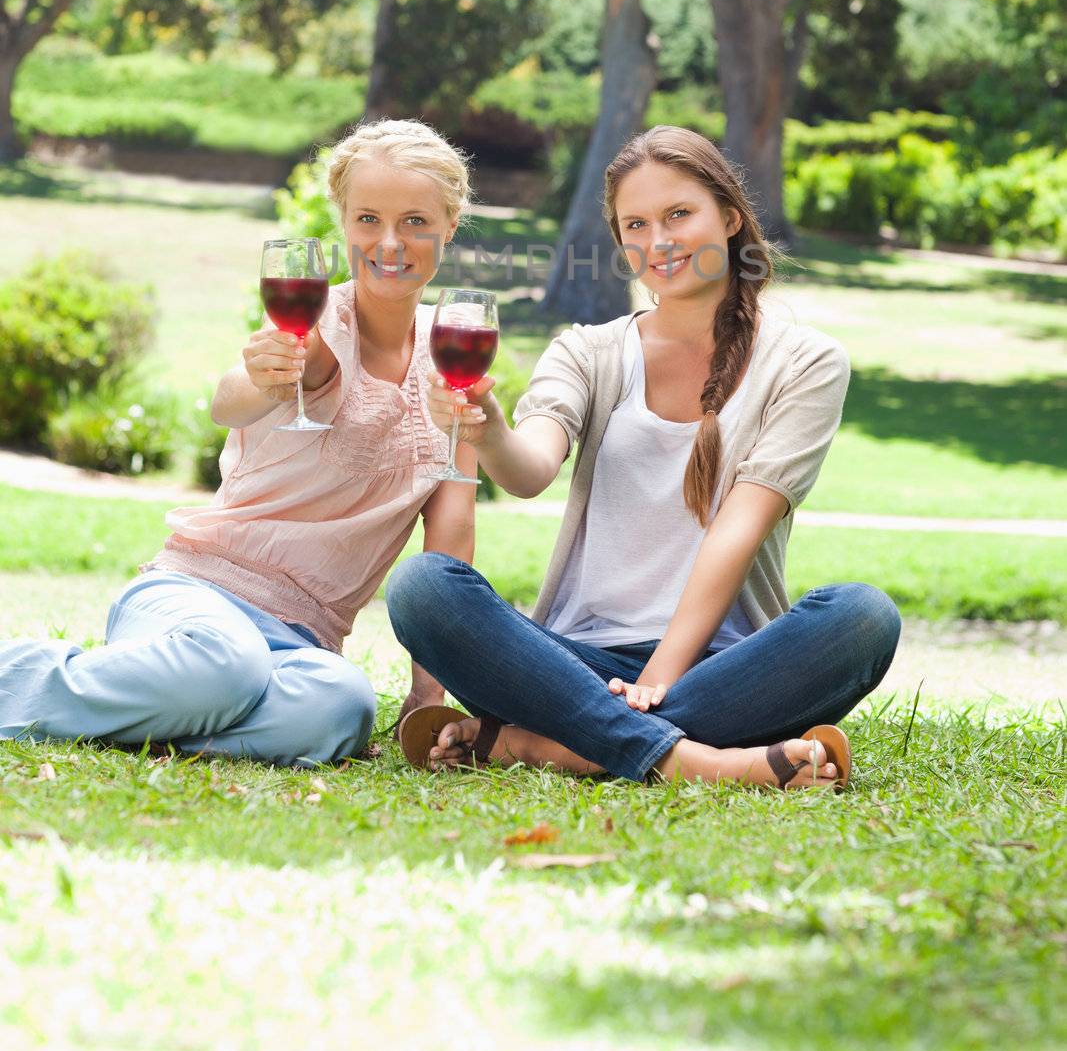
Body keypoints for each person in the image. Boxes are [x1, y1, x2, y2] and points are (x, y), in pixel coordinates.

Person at [387, 126, 901, 790]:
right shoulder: (588, 351)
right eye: (636, 224)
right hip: (571, 659)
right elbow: (528, 470)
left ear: (729, 216)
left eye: (678, 214)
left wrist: (659, 675)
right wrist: (487, 431)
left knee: (861, 618)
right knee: (423, 588)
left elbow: (736, 530)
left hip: (725, 665)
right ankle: (705, 764)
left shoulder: (805, 363)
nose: (657, 241)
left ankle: (539, 744)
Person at [0, 120, 476, 768]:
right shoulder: (312, 324)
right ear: (342, 220)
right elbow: (235, 397)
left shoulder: (455, 364)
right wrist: (260, 373)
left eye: (415, 221)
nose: (390, 242)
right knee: (225, 664)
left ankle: (151, 718)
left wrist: (426, 694)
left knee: (341, 707)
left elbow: (449, 542)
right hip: (194, 594)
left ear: (450, 223)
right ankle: (21, 679)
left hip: (303, 642)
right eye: (368, 218)